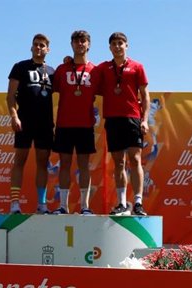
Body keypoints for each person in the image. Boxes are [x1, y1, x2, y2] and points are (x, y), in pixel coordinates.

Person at [92, 32, 150, 215]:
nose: (117, 46)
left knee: (135, 160)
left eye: (120, 43)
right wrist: (70, 61)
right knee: (118, 163)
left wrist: (145, 120)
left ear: (127, 46)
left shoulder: (137, 67)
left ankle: (138, 202)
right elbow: (86, 72)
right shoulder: (103, 68)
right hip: (113, 119)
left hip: (132, 118)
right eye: (114, 44)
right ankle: (122, 202)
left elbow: (145, 95)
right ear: (109, 47)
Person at [7, 33, 55, 214]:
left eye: (42, 45)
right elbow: (10, 96)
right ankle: (14, 204)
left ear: (48, 49)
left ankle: (42, 204)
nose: (39, 48)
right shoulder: (20, 67)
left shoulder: (52, 71)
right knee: (20, 160)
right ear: (31, 47)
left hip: (45, 123)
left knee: (43, 163)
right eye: (36, 44)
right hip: (24, 121)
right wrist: (14, 116)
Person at [51, 30, 97, 215]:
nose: (80, 44)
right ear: (71, 44)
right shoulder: (62, 69)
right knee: (64, 164)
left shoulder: (96, 70)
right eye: (76, 41)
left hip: (85, 124)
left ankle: (85, 206)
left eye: (83, 41)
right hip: (64, 124)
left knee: (84, 165)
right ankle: (63, 206)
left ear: (88, 44)